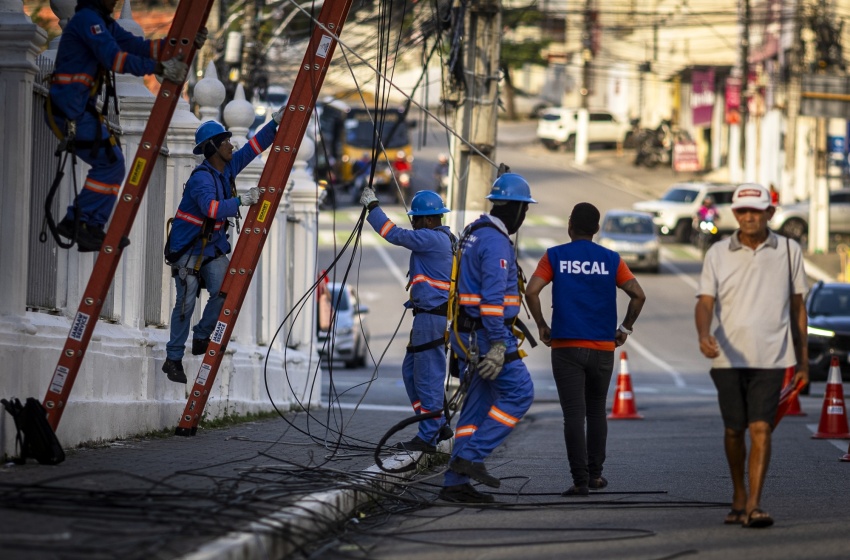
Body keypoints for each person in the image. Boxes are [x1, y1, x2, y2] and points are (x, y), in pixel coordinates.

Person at [694, 182, 809, 528]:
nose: (748, 217)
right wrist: (703, 334)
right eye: (742, 211)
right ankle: (738, 493)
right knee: (734, 430)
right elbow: (704, 302)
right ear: (734, 214)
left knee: (761, 428)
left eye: (755, 211)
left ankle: (754, 505)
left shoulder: (789, 250)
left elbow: (798, 307)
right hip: (727, 357)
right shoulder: (717, 253)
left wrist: (802, 360)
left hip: (772, 357)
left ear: (769, 213)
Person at [47, 0, 199, 252]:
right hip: (69, 110)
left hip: (78, 109)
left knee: (113, 164)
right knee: (110, 163)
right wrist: (158, 68)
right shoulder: (88, 21)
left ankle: (89, 225)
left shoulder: (103, 23)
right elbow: (114, 59)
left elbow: (137, 46)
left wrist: (183, 43)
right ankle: (78, 222)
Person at [524, 202, 646, 497]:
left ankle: (579, 481)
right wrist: (624, 329)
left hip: (566, 347)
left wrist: (541, 324)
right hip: (603, 348)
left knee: (573, 416)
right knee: (596, 413)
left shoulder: (555, 256)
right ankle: (596, 475)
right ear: (596, 229)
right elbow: (638, 295)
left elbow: (531, 291)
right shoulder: (611, 259)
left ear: (570, 226)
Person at [161, 114, 282, 383]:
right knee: (186, 301)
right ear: (213, 148)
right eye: (226, 141)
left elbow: (254, 146)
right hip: (188, 249)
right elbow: (211, 209)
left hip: (210, 247)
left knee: (226, 288)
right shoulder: (201, 179)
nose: (232, 145)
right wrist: (242, 200)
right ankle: (173, 359)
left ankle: (202, 335)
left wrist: (275, 123)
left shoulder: (226, 168)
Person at [438, 173, 536, 504]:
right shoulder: (495, 242)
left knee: (477, 407)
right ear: (516, 209)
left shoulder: (474, 233)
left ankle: (455, 481)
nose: (524, 216)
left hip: (468, 335)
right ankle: (472, 457)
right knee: (521, 393)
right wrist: (497, 345)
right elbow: (492, 303)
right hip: (488, 336)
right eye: (524, 209)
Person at [359, 188, 456, 451]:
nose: (412, 223)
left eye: (415, 218)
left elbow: (395, 234)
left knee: (426, 377)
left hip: (431, 318)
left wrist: (373, 208)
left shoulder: (432, 238)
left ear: (427, 220)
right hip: (426, 316)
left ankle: (428, 435)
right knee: (412, 372)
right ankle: (436, 423)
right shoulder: (439, 238)